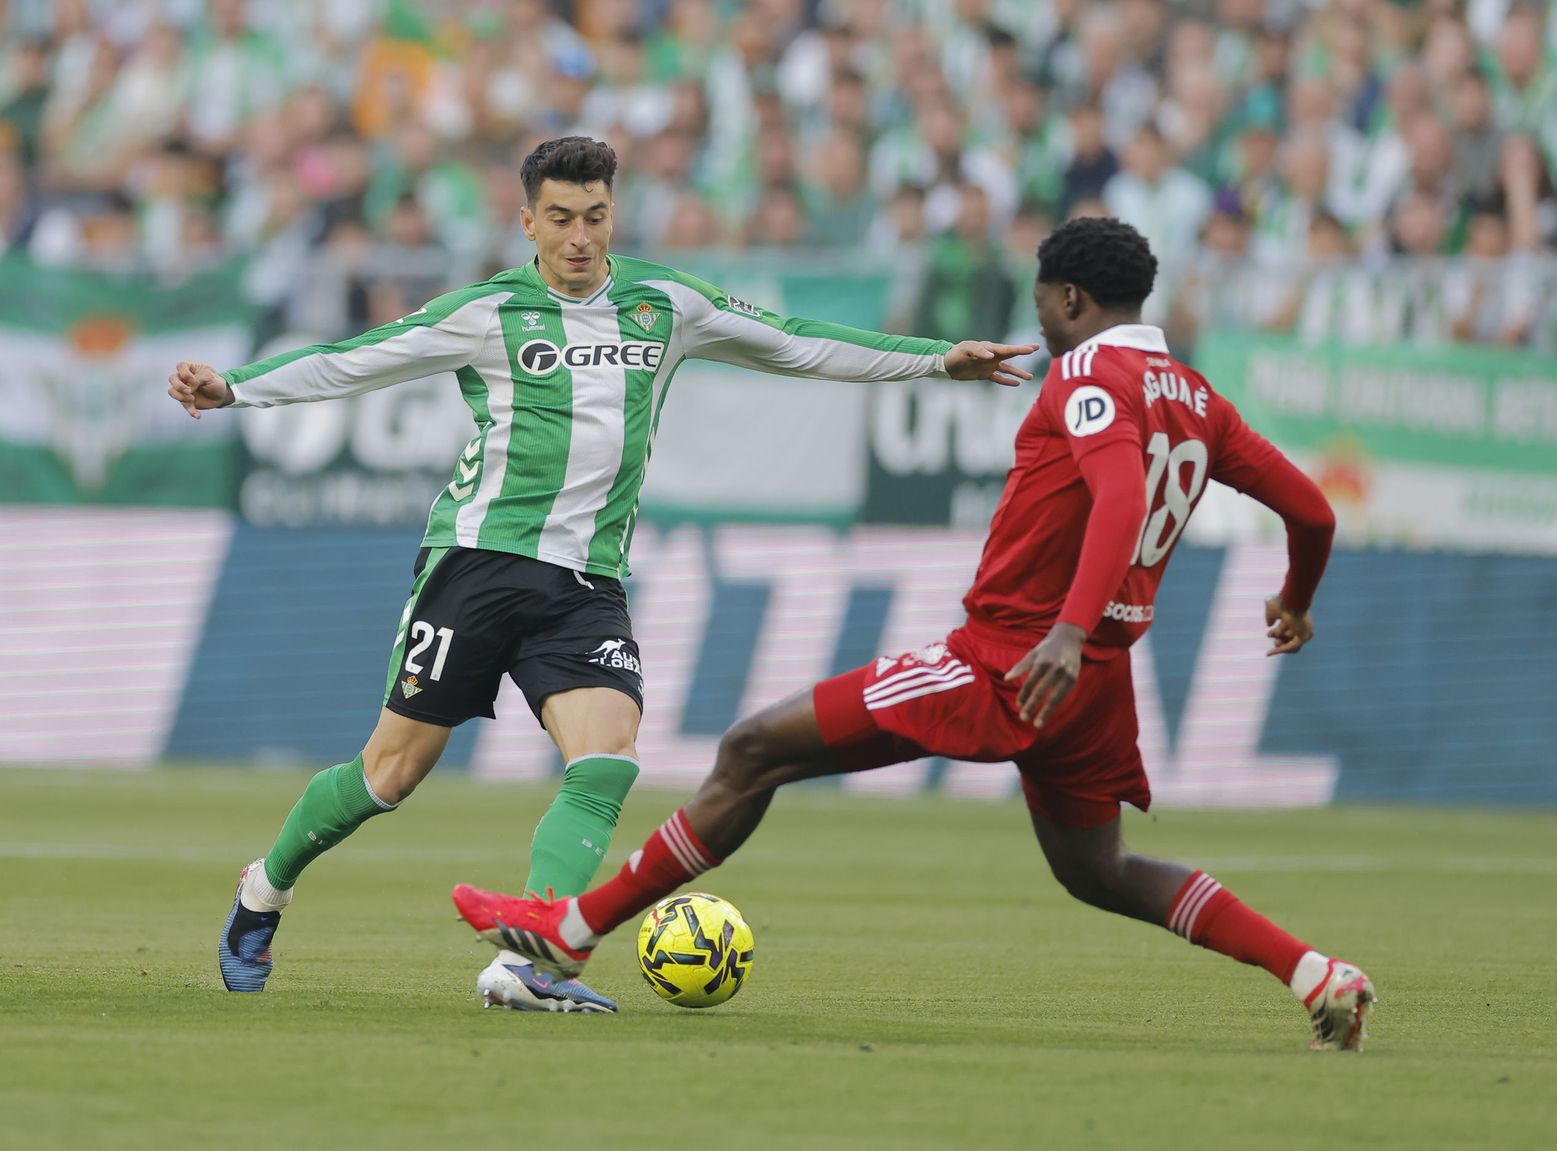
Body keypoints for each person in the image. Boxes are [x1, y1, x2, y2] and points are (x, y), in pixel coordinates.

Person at [453, 216, 1378, 1051]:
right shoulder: (1196, 396)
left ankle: (569, 934)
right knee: (1101, 870)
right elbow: (1312, 510)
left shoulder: (1093, 370)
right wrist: (1296, 597)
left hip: (1010, 658)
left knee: (751, 749)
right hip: (1098, 682)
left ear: (1069, 299)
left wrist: (1062, 628)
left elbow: (1122, 492)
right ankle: (1314, 973)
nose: (1045, 329)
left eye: (1046, 310)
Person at [168, 136, 1036, 1012]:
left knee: (608, 759)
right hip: (478, 562)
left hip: (586, 583)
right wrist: (234, 387)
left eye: (594, 217)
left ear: (612, 215)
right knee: (388, 776)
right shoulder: (486, 310)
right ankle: (262, 891)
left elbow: (797, 341)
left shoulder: (666, 303)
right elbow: (355, 358)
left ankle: (528, 962)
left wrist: (935, 358)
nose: (579, 237)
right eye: (560, 219)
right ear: (527, 222)